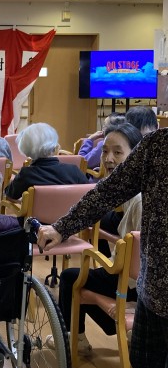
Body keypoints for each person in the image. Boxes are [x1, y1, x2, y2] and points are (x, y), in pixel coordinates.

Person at [36, 127, 168, 368]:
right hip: (155, 288)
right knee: (145, 361)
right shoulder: (158, 146)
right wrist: (62, 226)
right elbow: (108, 191)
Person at [48, 122, 143, 354]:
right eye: (105, 151)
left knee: (71, 278)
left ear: (136, 156)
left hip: (133, 284)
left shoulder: (139, 200)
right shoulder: (131, 192)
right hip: (138, 282)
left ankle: (73, 339)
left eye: (118, 152)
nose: (108, 159)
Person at [4, 122, 88, 201]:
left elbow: (10, 195)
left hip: (37, 213)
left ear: (25, 148)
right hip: (70, 212)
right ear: (55, 146)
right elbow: (88, 193)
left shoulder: (26, 174)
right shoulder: (74, 170)